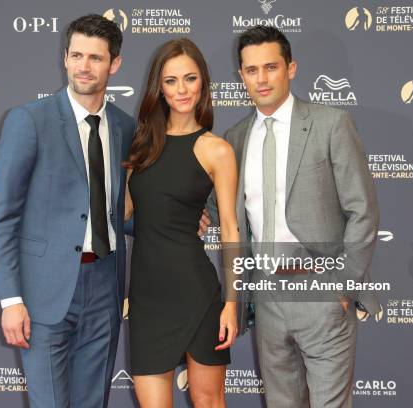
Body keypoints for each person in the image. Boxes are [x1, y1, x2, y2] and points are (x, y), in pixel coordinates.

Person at [207, 26, 380, 408]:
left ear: (291, 68)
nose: (262, 78)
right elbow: (221, 211)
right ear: (240, 76)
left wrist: (343, 285)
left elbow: (363, 210)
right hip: (266, 294)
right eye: (251, 70)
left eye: (271, 67)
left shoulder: (330, 123)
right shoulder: (234, 138)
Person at [0, 14, 135, 408]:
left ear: (114, 64)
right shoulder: (29, 121)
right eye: (76, 55)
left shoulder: (124, 127)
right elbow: (3, 216)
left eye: (95, 58)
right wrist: (10, 299)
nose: (84, 66)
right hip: (42, 292)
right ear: (65, 58)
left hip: (105, 284)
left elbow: (122, 211)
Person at [124, 38, 239, 408]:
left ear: (203, 82)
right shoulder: (141, 145)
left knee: (209, 401)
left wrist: (232, 303)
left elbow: (232, 230)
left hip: (196, 293)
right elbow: (124, 213)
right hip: (146, 297)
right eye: (171, 81)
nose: (181, 90)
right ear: (159, 86)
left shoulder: (216, 150)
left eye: (190, 79)